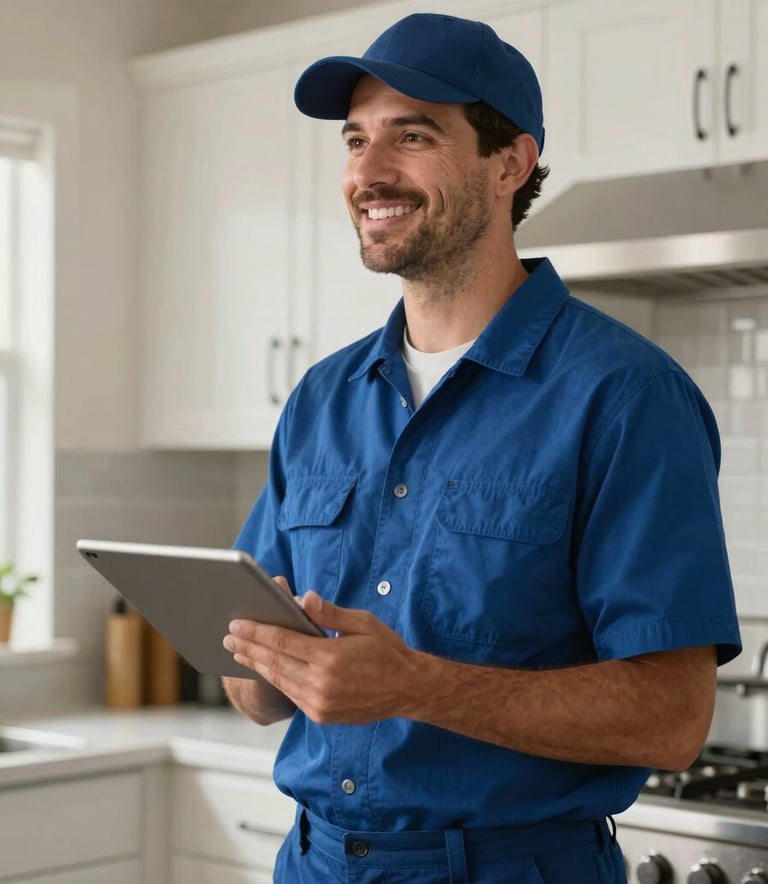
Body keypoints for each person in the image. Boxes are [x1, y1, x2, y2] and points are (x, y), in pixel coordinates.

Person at [222, 12, 741, 883]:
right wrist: (271, 660)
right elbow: (254, 694)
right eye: (355, 140)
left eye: (412, 135)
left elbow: (671, 720)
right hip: (312, 864)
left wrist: (410, 685)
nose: (367, 173)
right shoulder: (321, 398)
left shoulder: (624, 397)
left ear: (511, 162)